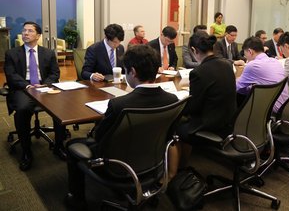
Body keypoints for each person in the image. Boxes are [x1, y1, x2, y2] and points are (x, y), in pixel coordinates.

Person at [65, 45, 179, 209]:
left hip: (117, 167)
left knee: (72, 146)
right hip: (153, 162)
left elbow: (99, 137)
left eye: (125, 71)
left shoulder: (119, 104)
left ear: (132, 72)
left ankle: (76, 200)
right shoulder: (172, 99)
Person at [169, 31, 237, 179]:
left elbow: (193, 108)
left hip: (209, 126)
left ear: (194, 50)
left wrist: (177, 104)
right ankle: (182, 167)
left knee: (173, 128)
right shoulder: (227, 65)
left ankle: (174, 174)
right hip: (228, 122)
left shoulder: (199, 72)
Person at [4, 21, 66, 171]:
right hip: (23, 87)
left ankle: (59, 146)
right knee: (23, 109)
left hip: (43, 86)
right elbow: (11, 75)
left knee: (61, 107)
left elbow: (54, 73)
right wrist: (27, 86)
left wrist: (45, 84)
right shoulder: (12, 53)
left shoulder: (48, 53)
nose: (25, 33)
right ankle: (26, 151)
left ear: (38, 35)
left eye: (30, 31)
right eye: (24, 30)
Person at [236, 37, 289, 112]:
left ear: (250, 52)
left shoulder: (253, 65)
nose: (246, 57)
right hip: (285, 106)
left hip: (270, 109)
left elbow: (236, 87)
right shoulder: (275, 61)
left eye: (245, 55)